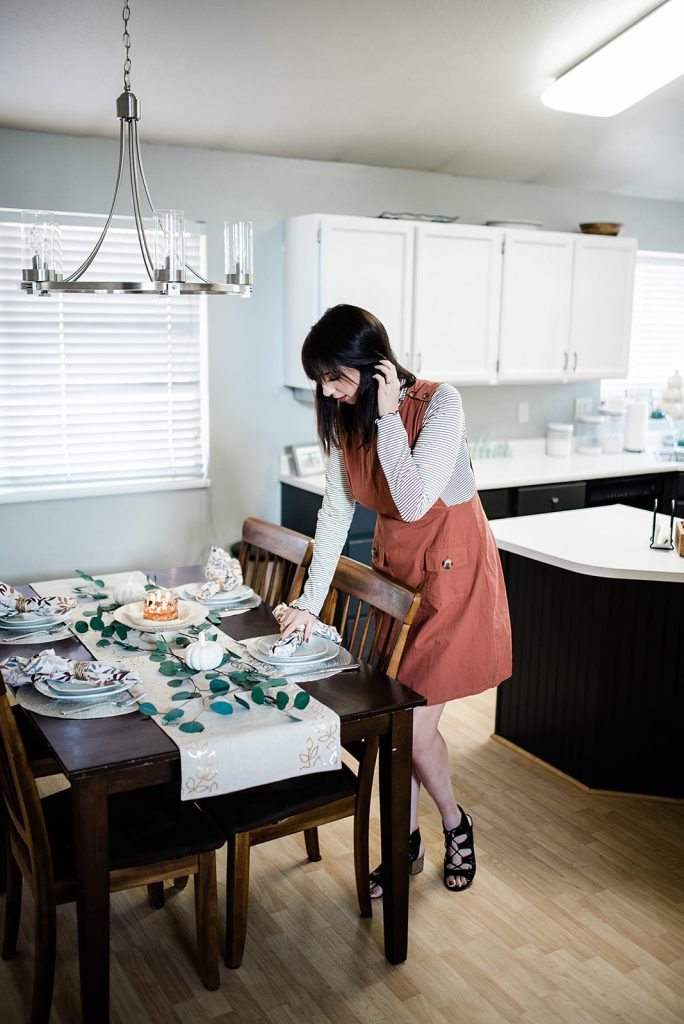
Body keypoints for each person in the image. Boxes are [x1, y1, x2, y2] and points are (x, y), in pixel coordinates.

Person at [278, 304, 512, 894]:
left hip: (453, 575)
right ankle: (407, 844)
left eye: (336, 377)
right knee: (397, 721)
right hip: (397, 580)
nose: (328, 393)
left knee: (412, 723)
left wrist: (385, 416)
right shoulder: (342, 419)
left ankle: (455, 825)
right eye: (321, 381)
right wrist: (309, 601)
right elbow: (335, 512)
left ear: (373, 366)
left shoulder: (440, 404)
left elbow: (410, 500)